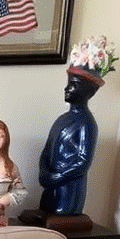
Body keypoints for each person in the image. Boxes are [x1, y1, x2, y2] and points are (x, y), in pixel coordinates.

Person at [38, 68, 102, 219]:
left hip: (68, 192)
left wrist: (57, 176)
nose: (67, 88)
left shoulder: (86, 123)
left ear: (88, 91)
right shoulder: (61, 119)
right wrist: (44, 172)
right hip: (50, 188)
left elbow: (82, 162)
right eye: (68, 84)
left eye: (73, 84)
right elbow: (47, 150)